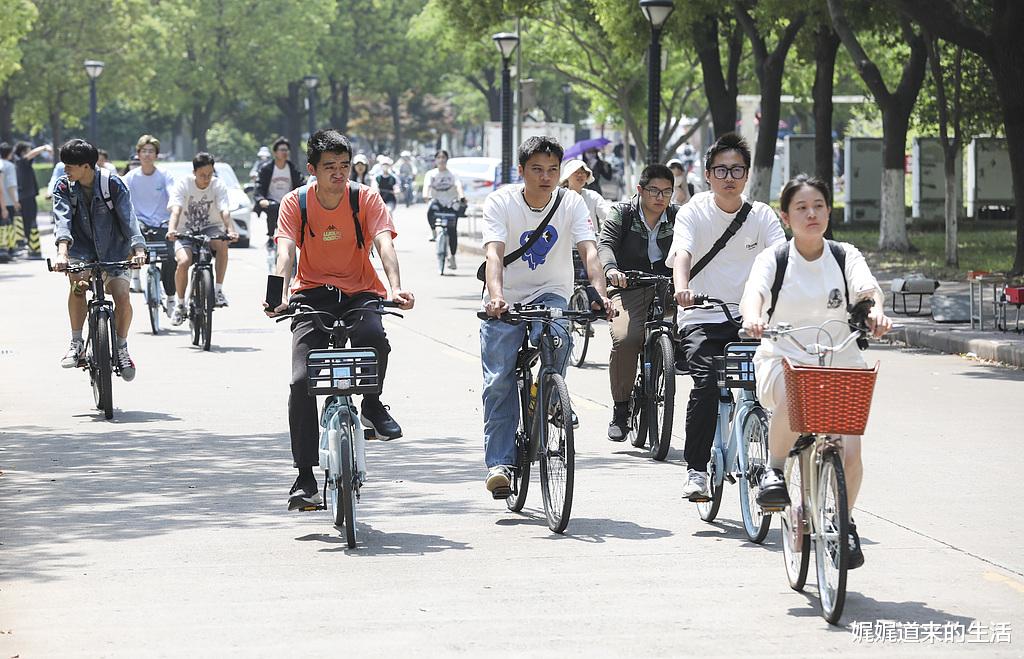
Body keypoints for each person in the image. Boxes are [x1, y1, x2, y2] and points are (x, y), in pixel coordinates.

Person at [739, 174, 892, 568]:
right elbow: (754, 294)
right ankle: (774, 471)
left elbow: (867, 291)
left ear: (828, 211)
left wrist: (876, 313)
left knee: (851, 452)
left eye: (819, 206)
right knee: (794, 395)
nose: (812, 214)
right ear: (786, 217)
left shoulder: (844, 255)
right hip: (783, 357)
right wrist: (754, 317)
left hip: (839, 359)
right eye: (802, 208)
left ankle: (844, 521)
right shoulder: (774, 259)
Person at [263, 129, 415, 511]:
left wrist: (396, 287)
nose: (339, 173)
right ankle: (304, 477)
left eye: (344, 165)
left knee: (374, 339)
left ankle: (373, 406)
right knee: (301, 381)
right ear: (311, 169)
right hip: (312, 293)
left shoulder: (364, 198)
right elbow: (285, 253)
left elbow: (384, 243)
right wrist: (277, 296)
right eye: (329, 166)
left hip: (360, 291)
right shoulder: (295, 202)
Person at [479, 136, 612, 499]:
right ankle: (500, 465)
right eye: (537, 169)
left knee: (560, 337)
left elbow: (589, 251)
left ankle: (550, 394)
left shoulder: (571, 203)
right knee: (499, 381)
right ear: (521, 171)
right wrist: (496, 296)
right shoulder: (501, 202)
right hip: (506, 298)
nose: (546, 177)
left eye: (553, 170)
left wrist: (600, 293)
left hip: (551, 291)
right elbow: (494, 254)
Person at [668, 132, 786, 501]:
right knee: (706, 385)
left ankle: (773, 466)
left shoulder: (761, 215)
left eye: (737, 170)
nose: (729, 177)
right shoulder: (694, 212)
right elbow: (683, 253)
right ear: (707, 174)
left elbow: (782, 259)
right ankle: (696, 470)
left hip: (751, 319)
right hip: (701, 316)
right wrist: (682, 289)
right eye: (721, 170)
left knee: (772, 385)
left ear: (747, 175)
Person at [52, 139, 146, 380]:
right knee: (77, 287)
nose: (65, 169)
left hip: (115, 249)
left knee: (122, 296)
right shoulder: (63, 186)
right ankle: (76, 343)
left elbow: (129, 218)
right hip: (80, 249)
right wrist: (62, 253)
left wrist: (138, 250)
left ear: (86, 166)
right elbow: (62, 221)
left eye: (70, 166)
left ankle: (122, 348)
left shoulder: (112, 184)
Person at [598, 164, 678, 440]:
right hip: (628, 286)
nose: (660, 197)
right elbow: (605, 244)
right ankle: (621, 409)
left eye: (667, 191)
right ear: (640, 190)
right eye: (654, 190)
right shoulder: (622, 213)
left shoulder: (678, 216)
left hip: (668, 287)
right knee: (626, 338)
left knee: (694, 334)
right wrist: (611, 270)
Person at [166, 152, 239, 321]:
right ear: (194, 172)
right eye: (202, 175)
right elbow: (176, 210)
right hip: (185, 230)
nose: (206, 179)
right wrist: (172, 230)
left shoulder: (218, 185)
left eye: (210, 174)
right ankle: (180, 304)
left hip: (210, 228)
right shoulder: (183, 184)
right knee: (183, 262)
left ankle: (218, 290)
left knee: (222, 244)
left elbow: (224, 210)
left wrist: (230, 230)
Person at [123, 135, 176, 300]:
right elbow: (121, 198)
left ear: (156, 155)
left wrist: (174, 208)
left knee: (170, 259)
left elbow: (173, 195)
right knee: (126, 247)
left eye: (151, 151)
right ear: (138, 154)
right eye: (144, 151)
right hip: (139, 224)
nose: (147, 154)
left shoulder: (165, 175)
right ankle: (134, 277)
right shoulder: (130, 177)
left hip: (162, 224)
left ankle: (171, 298)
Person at [253, 137, 304, 248]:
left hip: (289, 203)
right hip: (272, 202)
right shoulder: (267, 168)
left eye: (286, 150)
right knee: (272, 212)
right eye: (282, 150)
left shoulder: (292, 169)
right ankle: (271, 237)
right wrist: (261, 199)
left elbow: (301, 184)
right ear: (275, 152)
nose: (285, 152)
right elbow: (259, 185)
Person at [422, 150, 466, 270]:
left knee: (452, 231)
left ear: (447, 159)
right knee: (430, 210)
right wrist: (425, 195)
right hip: (437, 203)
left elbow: (458, 186)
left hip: (451, 204)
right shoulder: (431, 174)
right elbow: (427, 186)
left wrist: (462, 197)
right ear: (435, 160)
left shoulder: (453, 174)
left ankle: (452, 257)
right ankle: (433, 231)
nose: (441, 160)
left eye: (443, 157)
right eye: (439, 157)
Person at [13, 142, 52, 260]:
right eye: (28, 150)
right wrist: (44, 147)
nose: (30, 152)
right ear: (23, 152)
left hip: (28, 196)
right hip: (26, 197)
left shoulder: (21, 163)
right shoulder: (20, 162)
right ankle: (30, 245)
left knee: (30, 220)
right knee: (29, 221)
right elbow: (32, 154)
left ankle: (30, 244)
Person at [560, 159, 611, 231]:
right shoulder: (560, 197)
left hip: (590, 237)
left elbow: (607, 214)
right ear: (567, 176)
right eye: (576, 172)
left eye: (583, 172)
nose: (580, 175)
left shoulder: (593, 196)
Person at [0, 143, 18, 261]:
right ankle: (9, 250)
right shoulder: (9, 166)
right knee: (8, 226)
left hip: (2, 201)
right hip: (7, 201)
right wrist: (15, 201)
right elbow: (10, 185)